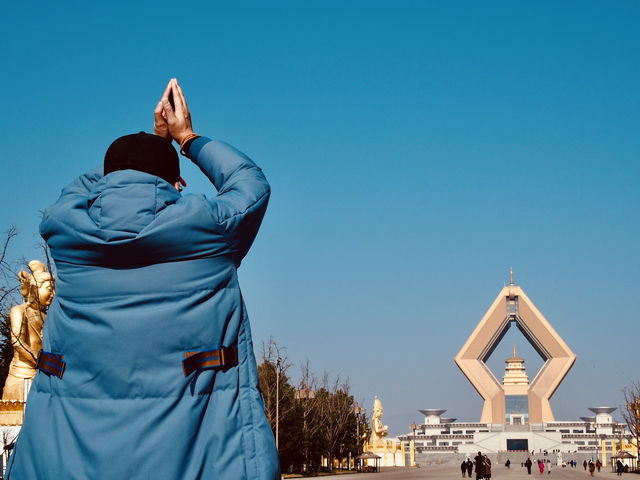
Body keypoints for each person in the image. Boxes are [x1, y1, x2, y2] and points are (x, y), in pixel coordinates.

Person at [5, 79, 279, 479]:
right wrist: (185, 138)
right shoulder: (209, 231)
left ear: (104, 180)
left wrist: (146, 148)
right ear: (177, 185)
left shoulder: (67, 236)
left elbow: (78, 189)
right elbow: (250, 183)